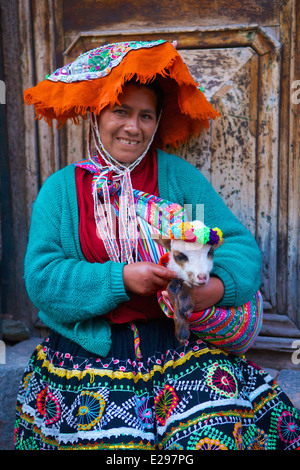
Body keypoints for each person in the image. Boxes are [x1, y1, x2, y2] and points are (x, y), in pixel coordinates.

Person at [15, 40, 300, 450]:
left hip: (179, 346)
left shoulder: (177, 179)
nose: (133, 127)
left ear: (156, 122)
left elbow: (239, 247)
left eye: (145, 116)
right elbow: (42, 279)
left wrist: (209, 291)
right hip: (89, 353)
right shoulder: (61, 191)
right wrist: (122, 280)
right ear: (96, 114)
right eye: (121, 111)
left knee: (212, 438)